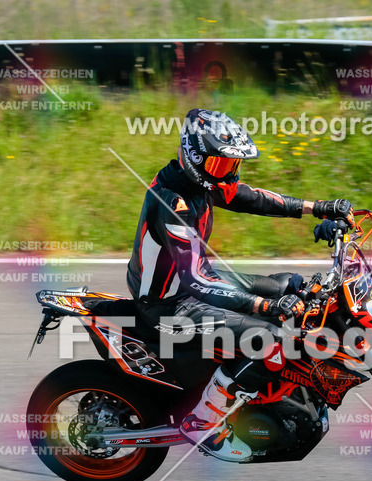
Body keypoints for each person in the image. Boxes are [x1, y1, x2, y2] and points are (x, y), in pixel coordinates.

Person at [126, 109, 353, 463]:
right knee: (270, 339)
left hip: (194, 281)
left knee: (293, 286)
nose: (226, 176)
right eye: (219, 166)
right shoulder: (175, 203)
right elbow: (197, 281)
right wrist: (265, 307)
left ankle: (279, 394)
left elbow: (252, 198)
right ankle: (203, 422)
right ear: (193, 157)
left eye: (230, 167)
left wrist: (319, 208)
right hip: (169, 303)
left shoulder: (198, 181)